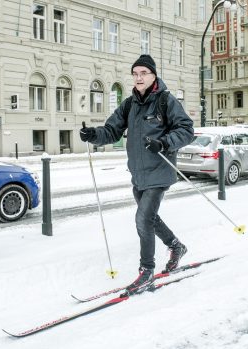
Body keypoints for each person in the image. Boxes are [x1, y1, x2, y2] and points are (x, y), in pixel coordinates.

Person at [79, 54, 194, 295]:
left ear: (153, 75)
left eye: (144, 73)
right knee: (149, 218)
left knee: (143, 219)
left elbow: (186, 129)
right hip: (139, 174)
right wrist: (94, 135)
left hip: (160, 171)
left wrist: (163, 143)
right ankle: (176, 246)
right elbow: (112, 130)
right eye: (135, 73)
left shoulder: (165, 100)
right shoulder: (130, 104)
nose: (139, 77)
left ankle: (146, 271)